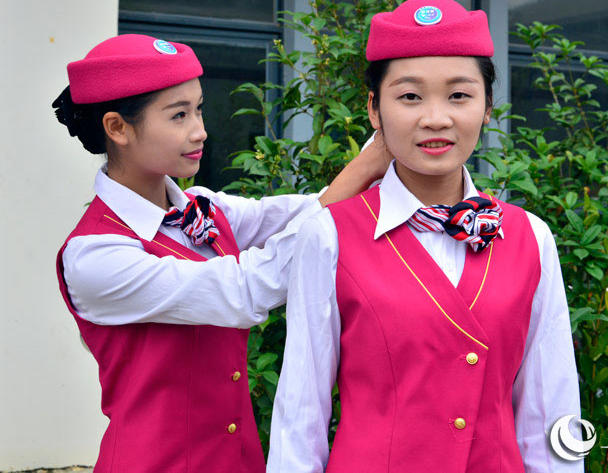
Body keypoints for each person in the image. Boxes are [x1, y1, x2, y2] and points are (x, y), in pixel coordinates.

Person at [267, 0, 582, 472]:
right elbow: (301, 415)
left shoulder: (530, 238)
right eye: (410, 96)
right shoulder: (328, 236)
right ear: (374, 110)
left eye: (459, 95)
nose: (436, 118)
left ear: (488, 108)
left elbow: (552, 408)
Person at [53, 33, 389, 472]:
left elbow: (312, 210)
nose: (200, 130)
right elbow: (246, 290)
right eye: (178, 115)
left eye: (198, 109)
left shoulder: (206, 208)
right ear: (117, 128)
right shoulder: (95, 256)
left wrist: (389, 139)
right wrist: (370, 161)